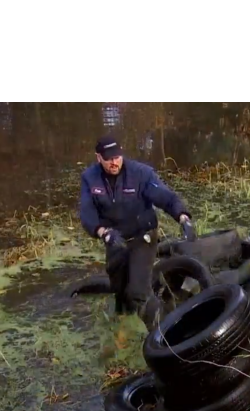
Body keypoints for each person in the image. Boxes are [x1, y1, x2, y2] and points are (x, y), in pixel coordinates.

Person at [79, 135, 196, 316]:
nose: (114, 162)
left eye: (117, 157)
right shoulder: (90, 178)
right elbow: (87, 212)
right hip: (114, 238)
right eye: (108, 159)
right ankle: (122, 321)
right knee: (119, 288)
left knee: (137, 291)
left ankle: (159, 328)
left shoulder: (140, 174)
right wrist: (104, 233)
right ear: (98, 157)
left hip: (143, 236)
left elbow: (165, 197)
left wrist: (183, 217)